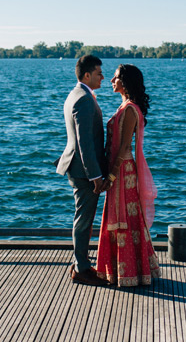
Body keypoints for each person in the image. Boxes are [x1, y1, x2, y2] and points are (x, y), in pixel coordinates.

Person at [95, 64, 161, 286]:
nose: (111, 81)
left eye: (115, 78)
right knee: (118, 217)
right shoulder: (123, 106)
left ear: (126, 82)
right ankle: (118, 269)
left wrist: (111, 177)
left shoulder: (131, 109)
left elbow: (124, 148)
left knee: (125, 218)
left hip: (123, 172)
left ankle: (131, 271)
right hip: (118, 170)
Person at [55, 54, 109, 286]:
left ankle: (80, 262)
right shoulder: (84, 100)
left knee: (83, 217)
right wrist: (95, 176)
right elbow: (85, 142)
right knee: (84, 218)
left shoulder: (75, 94)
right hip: (83, 170)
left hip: (77, 166)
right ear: (87, 75)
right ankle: (81, 268)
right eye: (99, 73)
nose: (103, 77)